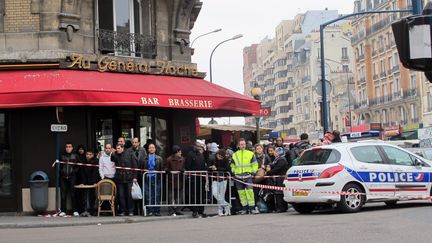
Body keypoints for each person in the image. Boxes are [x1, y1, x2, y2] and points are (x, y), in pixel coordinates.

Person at [231, 138, 259, 214]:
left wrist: (253, 172)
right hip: (238, 177)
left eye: (244, 144)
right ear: (238, 145)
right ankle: (244, 208)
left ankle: (252, 208)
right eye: (241, 144)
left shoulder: (250, 154)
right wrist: (233, 171)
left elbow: (255, 164)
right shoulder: (235, 154)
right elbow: (232, 165)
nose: (243, 145)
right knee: (241, 193)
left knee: (250, 192)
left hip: (248, 176)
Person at [112, 144, 137, 216]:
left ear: (122, 148)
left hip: (129, 178)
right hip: (120, 179)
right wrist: (113, 153)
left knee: (129, 195)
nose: (117, 150)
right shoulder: (116, 155)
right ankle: (123, 211)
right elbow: (112, 159)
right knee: (121, 196)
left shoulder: (130, 154)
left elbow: (135, 166)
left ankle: (130, 211)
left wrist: (135, 177)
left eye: (119, 148)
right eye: (116, 148)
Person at [185, 142, 207, 218]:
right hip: (193, 177)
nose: (200, 148)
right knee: (194, 195)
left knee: (201, 194)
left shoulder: (202, 155)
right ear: (195, 147)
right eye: (198, 146)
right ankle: (195, 211)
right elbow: (188, 166)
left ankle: (201, 210)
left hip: (201, 177)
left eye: (201, 146)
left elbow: (204, 165)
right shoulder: (190, 154)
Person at [127, 137, 147, 216]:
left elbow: (145, 160)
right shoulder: (129, 151)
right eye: (133, 143)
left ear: (139, 143)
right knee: (134, 193)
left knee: (141, 192)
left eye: (136, 142)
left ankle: (142, 210)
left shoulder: (143, 150)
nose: (134, 144)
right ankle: (134, 210)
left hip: (141, 174)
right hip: (133, 175)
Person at [265, 147, 289, 213]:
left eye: (275, 151)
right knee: (278, 193)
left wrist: (269, 172)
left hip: (281, 179)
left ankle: (281, 208)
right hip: (278, 179)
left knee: (280, 193)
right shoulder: (277, 159)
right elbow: (273, 165)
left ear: (279, 152)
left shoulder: (282, 160)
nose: (274, 153)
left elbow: (277, 169)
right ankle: (279, 207)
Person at [208, 149, 231, 216]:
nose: (220, 158)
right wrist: (211, 168)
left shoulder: (226, 159)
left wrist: (217, 168)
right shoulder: (212, 158)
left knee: (222, 196)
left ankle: (220, 210)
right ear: (217, 154)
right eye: (219, 156)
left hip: (223, 179)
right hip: (215, 179)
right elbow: (207, 167)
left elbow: (227, 169)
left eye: (221, 157)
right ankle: (226, 205)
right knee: (215, 193)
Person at [164, 145, 185, 216]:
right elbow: (165, 168)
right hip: (171, 181)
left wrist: (183, 170)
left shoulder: (183, 159)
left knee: (180, 196)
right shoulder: (169, 159)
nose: (180, 153)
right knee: (171, 196)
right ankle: (171, 210)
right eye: (179, 152)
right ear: (175, 152)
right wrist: (167, 170)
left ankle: (178, 210)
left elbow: (185, 167)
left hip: (180, 180)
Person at [143, 143, 164, 216]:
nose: (151, 149)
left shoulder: (159, 158)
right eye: (150, 147)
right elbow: (142, 169)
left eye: (153, 147)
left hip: (156, 178)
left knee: (157, 195)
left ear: (155, 149)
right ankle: (150, 210)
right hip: (147, 178)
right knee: (148, 195)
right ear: (148, 149)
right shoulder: (144, 158)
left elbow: (162, 169)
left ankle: (157, 211)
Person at [59, 142, 79, 217]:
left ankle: (75, 210)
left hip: (72, 177)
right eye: (67, 147)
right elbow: (60, 166)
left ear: (72, 148)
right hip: (63, 177)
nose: (68, 148)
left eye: (70, 146)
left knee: (73, 194)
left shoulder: (75, 156)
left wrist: (74, 172)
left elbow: (78, 166)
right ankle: (63, 210)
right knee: (63, 194)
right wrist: (61, 172)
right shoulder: (62, 156)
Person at [79, 150, 99, 216]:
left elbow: (95, 173)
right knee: (84, 196)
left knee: (92, 196)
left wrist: (94, 182)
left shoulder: (96, 161)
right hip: (85, 181)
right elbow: (81, 173)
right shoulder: (83, 161)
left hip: (92, 182)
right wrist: (82, 182)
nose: (88, 156)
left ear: (93, 155)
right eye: (87, 154)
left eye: (90, 154)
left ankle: (92, 211)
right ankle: (84, 210)